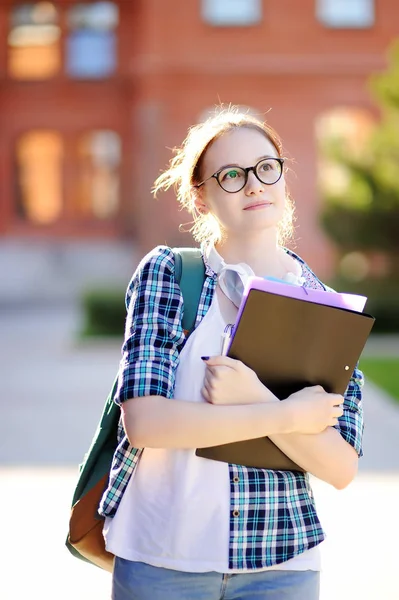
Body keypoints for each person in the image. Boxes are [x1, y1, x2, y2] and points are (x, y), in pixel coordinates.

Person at [99, 108, 364, 600]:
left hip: (282, 565)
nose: (254, 186)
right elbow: (146, 423)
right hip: (162, 558)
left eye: (267, 167)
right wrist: (286, 414)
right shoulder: (169, 274)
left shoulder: (324, 305)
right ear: (200, 195)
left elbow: (340, 467)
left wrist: (254, 397)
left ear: (283, 177)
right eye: (232, 175)